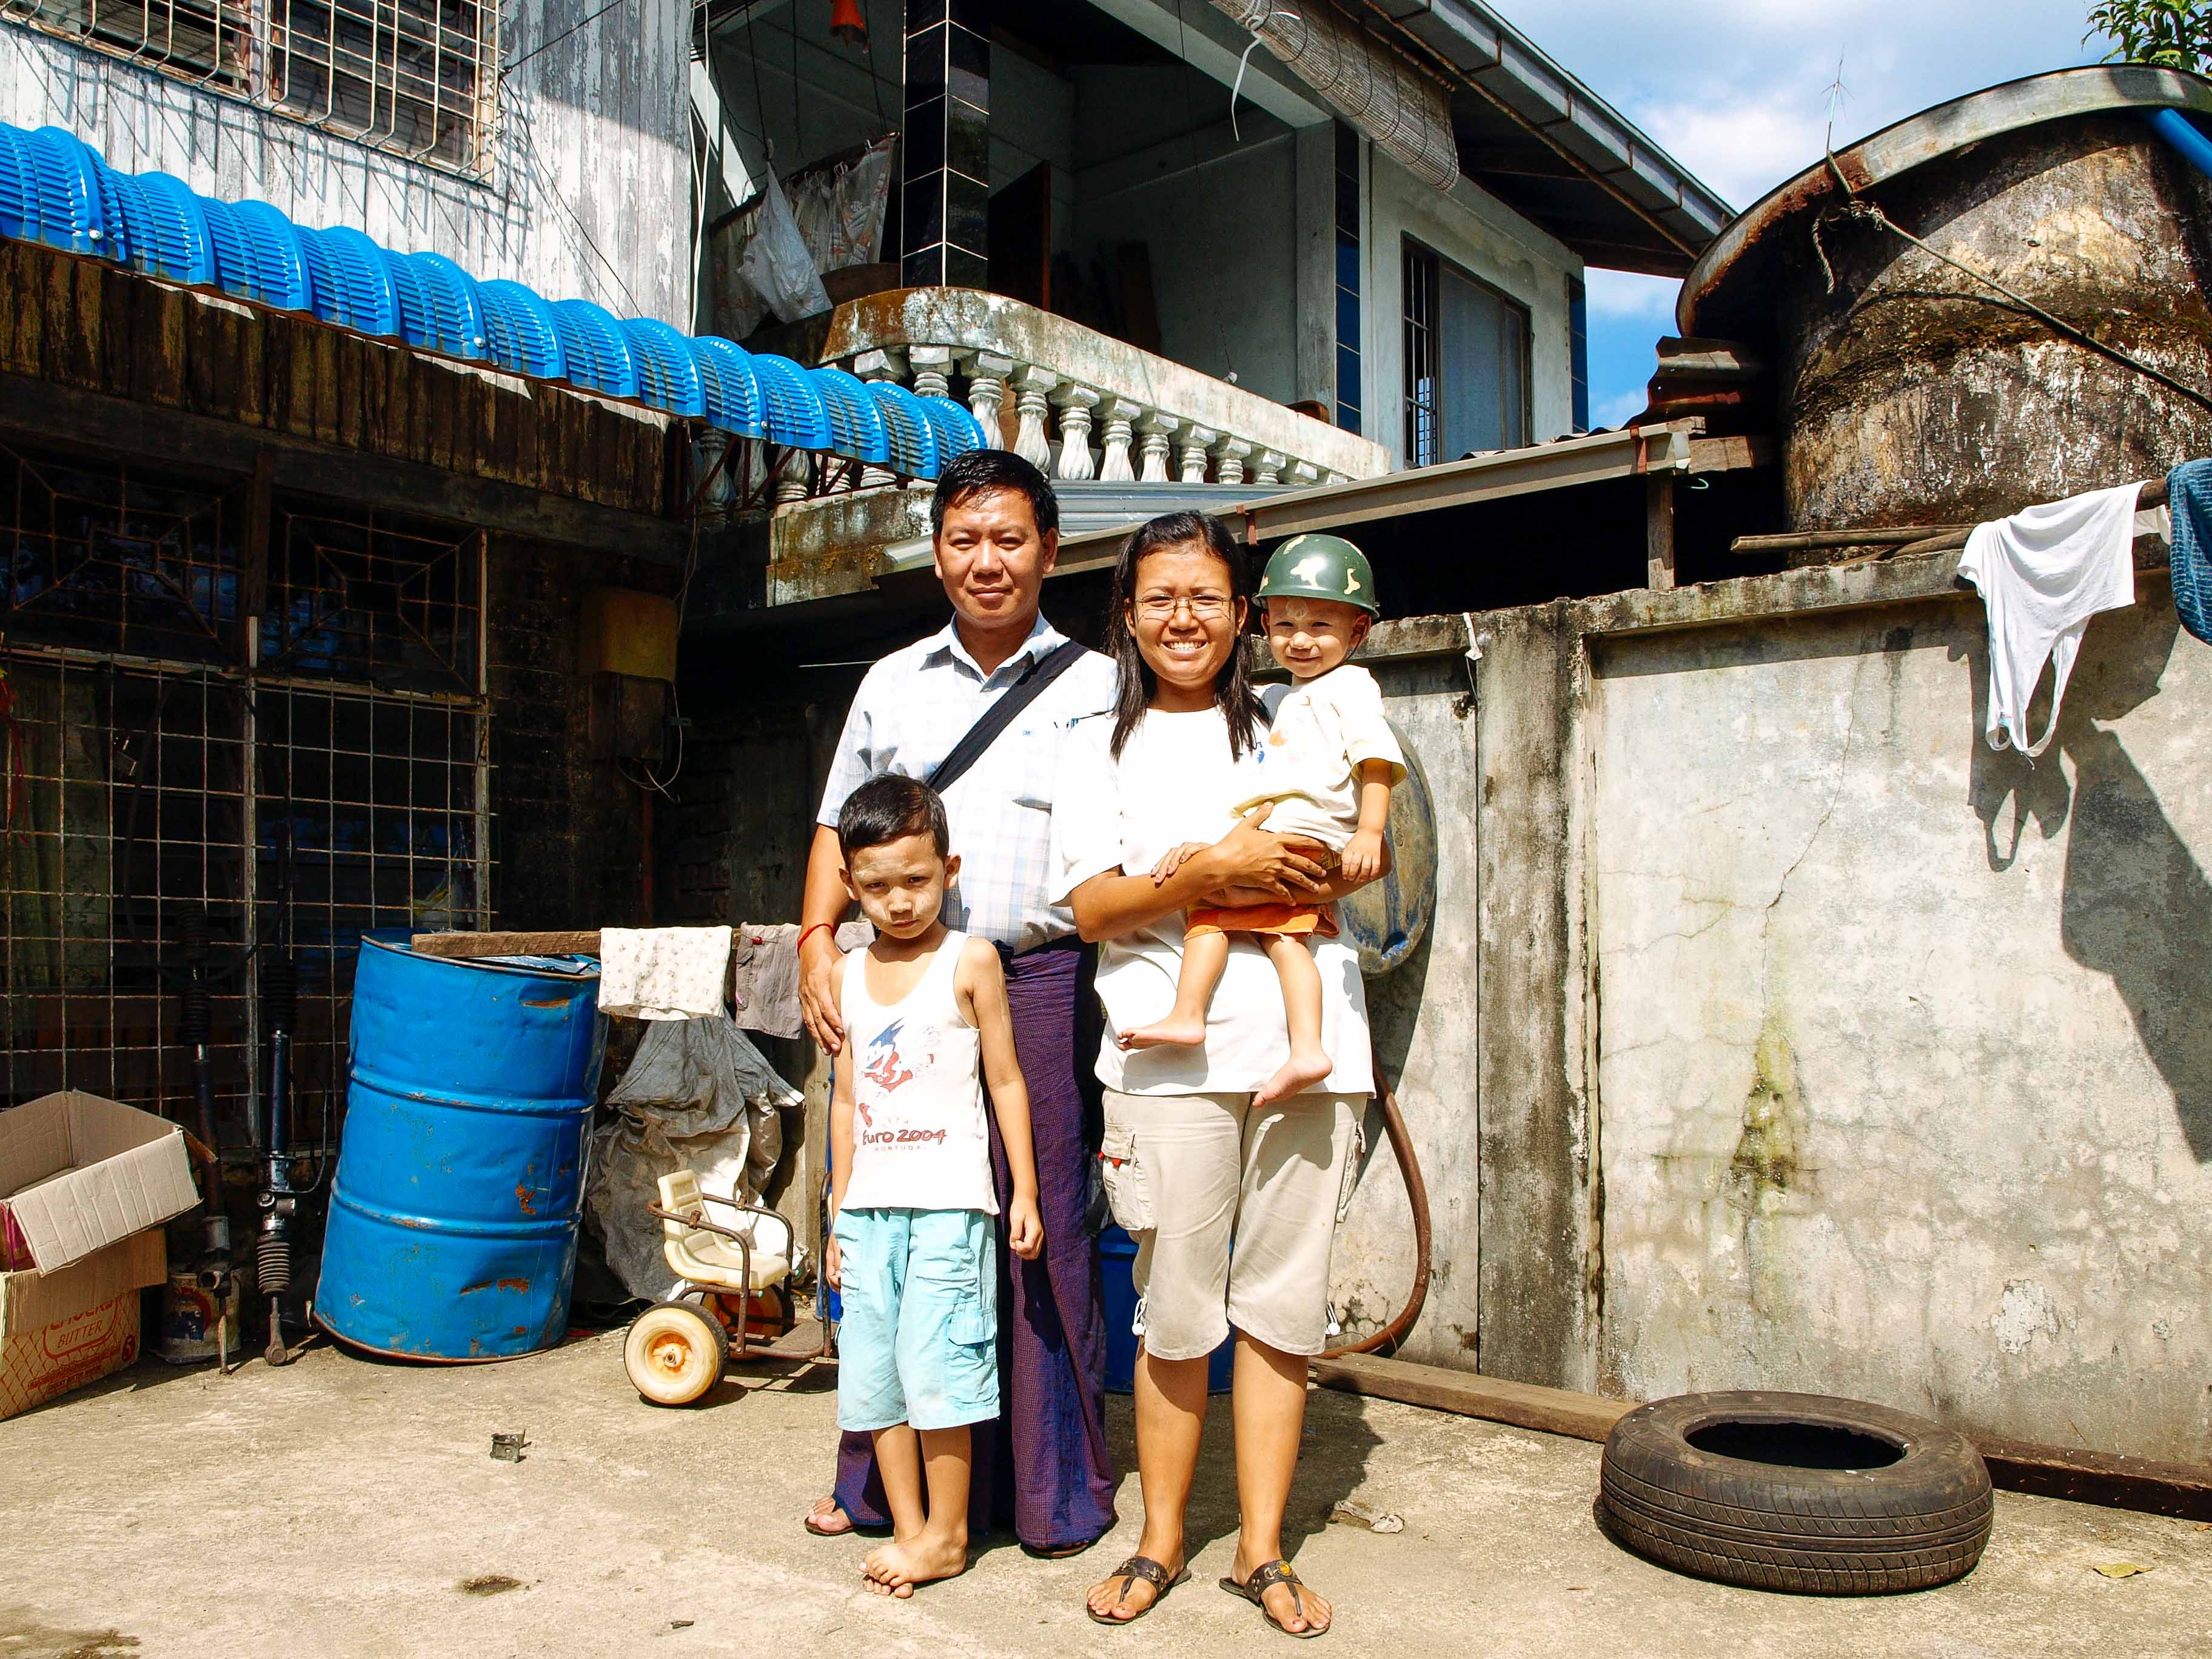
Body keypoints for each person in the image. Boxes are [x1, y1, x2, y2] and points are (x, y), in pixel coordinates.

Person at [1053, 511, 1384, 1639]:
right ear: (1128, 616)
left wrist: (1293, 865)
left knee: (1282, 1307)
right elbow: (1093, 908)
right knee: (1176, 1306)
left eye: (1205, 597)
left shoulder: (1304, 715)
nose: (1182, 618)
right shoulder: (1094, 744)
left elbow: (1365, 848)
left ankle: (1259, 1549)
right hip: (1168, 1058)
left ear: (1245, 615)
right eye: (1160, 598)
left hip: (1308, 1052)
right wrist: (1213, 871)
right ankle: (1159, 1542)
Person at [797, 449, 1122, 1555]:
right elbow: (834, 825)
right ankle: (880, 1491)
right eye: (965, 540)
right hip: (898, 981)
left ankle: (1048, 1491)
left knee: (1038, 1229)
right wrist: (815, 939)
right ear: (936, 554)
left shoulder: (1097, 685)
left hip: (1039, 980)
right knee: (890, 1224)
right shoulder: (890, 682)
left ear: (1049, 551)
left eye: (1010, 539)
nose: (988, 561)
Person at [823, 774, 1044, 1598]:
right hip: (868, 1212)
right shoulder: (845, 974)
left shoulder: (970, 960)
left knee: (941, 1366)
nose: (900, 901)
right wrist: (838, 1213)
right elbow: (845, 1100)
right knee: (874, 1372)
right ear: (850, 885)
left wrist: (1024, 1192)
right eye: (877, 885)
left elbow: (1007, 1081)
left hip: (951, 1206)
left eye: (917, 880)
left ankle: (948, 1534)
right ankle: (911, 1528)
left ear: (950, 870)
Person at [1119, 533, 1403, 1110]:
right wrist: (1209, 851)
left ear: (1358, 631)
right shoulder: (1281, 699)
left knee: (1213, 905)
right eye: (1287, 626)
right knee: (1263, 927)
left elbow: (1376, 761)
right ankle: (1277, 1039)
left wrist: (1369, 833)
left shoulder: (1349, 687)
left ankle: (1207, 1018)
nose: (1300, 640)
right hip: (1279, 832)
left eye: (1320, 626)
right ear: (1265, 624)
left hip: (1306, 837)